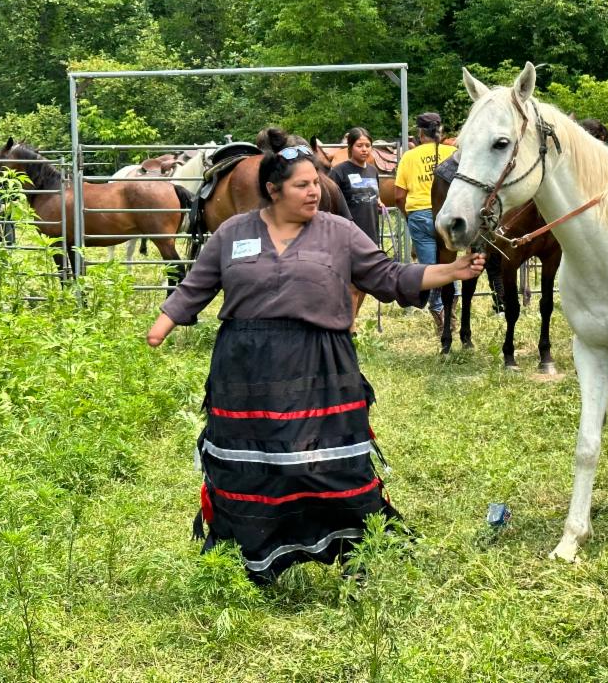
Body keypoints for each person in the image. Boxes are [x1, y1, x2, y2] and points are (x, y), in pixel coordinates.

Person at [146, 129, 484, 584]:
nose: (315, 191)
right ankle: (249, 560)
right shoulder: (233, 232)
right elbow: (197, 284)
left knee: (334, 463)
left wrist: (451, 271)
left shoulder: (338, 232)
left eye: (316, 182)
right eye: (302, 185)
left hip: (321, 366)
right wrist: (166, 320)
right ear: (273, 190)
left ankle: (361, 553)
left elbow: (387, 275)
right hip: (245, 370)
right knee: (251, 466)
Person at [394, 112, 457, 331]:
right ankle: (452, 310)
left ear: (420, 133)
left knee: (431, 268)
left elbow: (399, 196)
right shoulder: (453, 153)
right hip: (449, 214)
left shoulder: (409, 157)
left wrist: (408, 216)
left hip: (420, 213)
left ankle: (440, 314)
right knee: (451, 265)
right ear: (441, 131)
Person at [328, 127, 383, 245]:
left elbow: (376, 196)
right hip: (348, 237)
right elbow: (330, 204)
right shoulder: (338, 172)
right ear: (350, 147)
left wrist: (379, 203)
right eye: (359, 146)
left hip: (371, 236)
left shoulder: (373, 171)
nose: (364, 149)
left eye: (368, 145)